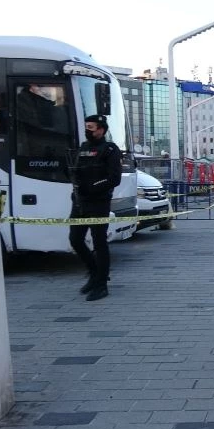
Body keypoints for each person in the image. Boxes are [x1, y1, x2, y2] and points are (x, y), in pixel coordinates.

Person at [69, 115, 122, 301]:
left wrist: (92, 187)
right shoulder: (84, 148)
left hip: (98, 202)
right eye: (86, 127)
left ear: (101, 129)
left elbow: (114, 178)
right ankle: (95, 273)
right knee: (75, 239)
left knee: (99, 243)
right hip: (79, 202)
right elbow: (76, 171)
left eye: (91, 127)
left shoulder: (109, 150)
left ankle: (101, 285)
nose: (88, 130)